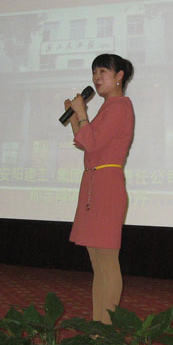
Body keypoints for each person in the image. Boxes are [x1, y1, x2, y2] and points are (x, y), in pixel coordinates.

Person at [64, 54, 135, 324]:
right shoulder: (107, 108)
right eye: (94, 72)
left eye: (103, 71)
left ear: (119, 77)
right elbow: (85, 141)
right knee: (97, 263)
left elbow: (92, 143)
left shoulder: (120, 107)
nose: (96, 77)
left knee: (107, 261)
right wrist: (75, 116)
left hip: (107, 186)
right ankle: (97, 327)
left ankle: (106, 330)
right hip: (93, 184)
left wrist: (81, 113)